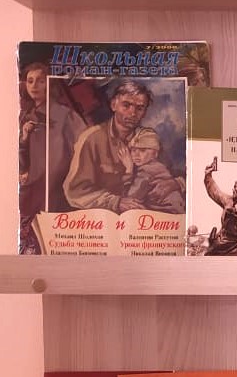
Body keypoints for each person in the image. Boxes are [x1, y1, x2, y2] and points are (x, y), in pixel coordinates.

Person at [18, 61, 85, 245]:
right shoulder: (24, 116)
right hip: (32, 187)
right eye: (30, 81)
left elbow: (84, 148)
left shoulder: (66, 115)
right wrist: (24, 138)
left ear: (49, 83)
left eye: (40, 81)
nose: (34, 86)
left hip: (59, 188)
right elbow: (20, 160)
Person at [63, 79, 152, 212]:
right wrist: (115, 202)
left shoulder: (149, 140)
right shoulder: (91, 139)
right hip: (99, 217)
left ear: (145, 112)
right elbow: (75, 191)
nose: (133, 113)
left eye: (139, 108)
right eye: (126, 105)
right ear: (113, 105)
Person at [124, 128, 185, 214]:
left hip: (167, 213)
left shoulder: (146, 171)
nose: (136, 155)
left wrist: (128, 171)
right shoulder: (159, 167)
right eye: (133, 150)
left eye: (142, 150)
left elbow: (132, 198)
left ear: (155, 154)